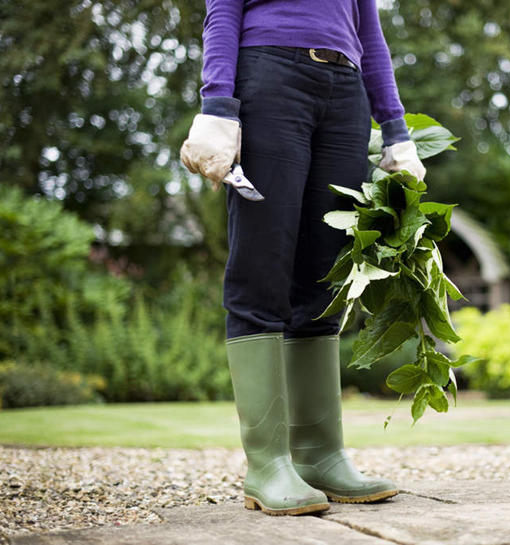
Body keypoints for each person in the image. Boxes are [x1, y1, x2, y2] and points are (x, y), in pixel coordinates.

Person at [179, 0, 426, 516]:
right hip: (270, 74)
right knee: (263, 264)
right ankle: (267, 464)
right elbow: (223, 8)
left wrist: (396, 127)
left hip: (346, 91)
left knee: (325, 275)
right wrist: (216, 103)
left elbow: (369, 30)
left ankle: (319, 454)